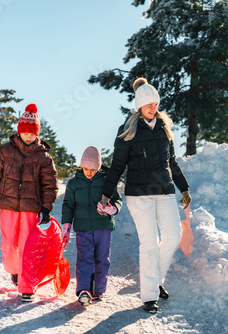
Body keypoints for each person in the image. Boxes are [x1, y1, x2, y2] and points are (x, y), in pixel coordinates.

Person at [99, 77, 192, 314]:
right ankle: (150, 295)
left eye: (156, 103)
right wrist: (106, 193)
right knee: (149, 242)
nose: (153, 107)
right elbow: (117, 165)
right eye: (149, 103)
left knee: (173, 236)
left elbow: (172, 162)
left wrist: (184, 187)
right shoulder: (128, 130)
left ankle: (156, 280)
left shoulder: (164, 128)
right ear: (140, 104)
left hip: (164, 190)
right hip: (139, 194)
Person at [0, 103, 58, 303]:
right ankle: (15, 270)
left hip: (30, 209)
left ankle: (27, 286)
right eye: (25, 132)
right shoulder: (5, 151)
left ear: (36, 134)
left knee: (27, 246)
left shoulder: (43, 157)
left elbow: (50, 185)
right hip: (7, 206)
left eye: (32, 132)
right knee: (8, 245)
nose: (28, 136)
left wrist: (45, 207)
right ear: (19, 131)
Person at [61, 146, 122, 306]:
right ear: (81, 166)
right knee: (84, 258)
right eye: (86, 168)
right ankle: (84, 290)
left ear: (99, 167)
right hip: (83, 227)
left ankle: (98, 290)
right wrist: (66, 225)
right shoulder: (74, 184)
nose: (89, 172)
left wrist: (112, 209)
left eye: (93, 169)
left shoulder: (107, 181)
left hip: (103, 226)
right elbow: (68, 205)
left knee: (102, 259)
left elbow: (117, 198)